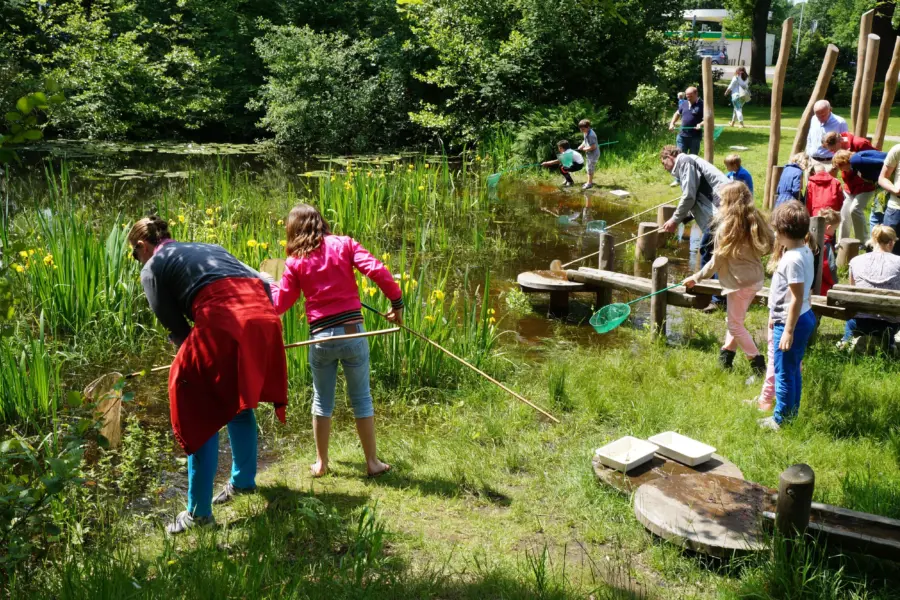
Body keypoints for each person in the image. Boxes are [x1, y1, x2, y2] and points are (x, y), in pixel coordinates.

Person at [128, 216, 288, 534]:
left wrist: (192, 371)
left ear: (142, 246)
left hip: (225, 319)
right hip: (263, 316)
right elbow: (265, 281)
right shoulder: (207, 247)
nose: (138, 261)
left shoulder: (152, 267)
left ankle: (198, 514)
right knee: (237, 400)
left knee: (199, 411)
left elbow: (178, 331)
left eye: (135, 255)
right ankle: (243, 482)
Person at [270, 204, 401, 478]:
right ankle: (372, 463)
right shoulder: (345, 244)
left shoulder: (295, 262)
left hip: (320, 339)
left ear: (294, 230)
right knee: (361, 399)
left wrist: (268, 283)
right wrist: (396, 301)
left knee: (322, 400)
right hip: (355, 333)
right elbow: (377, 270)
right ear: (321, 222)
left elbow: (280, 303)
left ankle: (321, 464)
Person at [685, 182, 772, 374]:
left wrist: (696, 277)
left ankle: (757, 365)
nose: (719, 203)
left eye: (722, 200)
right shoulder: (754, 218)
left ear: (730, 202)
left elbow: (715, 261)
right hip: (755, 280)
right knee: (736, 320)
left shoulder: (727, 227)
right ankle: (725, 360)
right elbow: (770, 244)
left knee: (734, 324)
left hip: (739, 283)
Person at [758, 202, 817, 431]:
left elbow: (795, 296)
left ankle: (780, 419)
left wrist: (788, 330)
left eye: (775, 230)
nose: (774, 233)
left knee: (783, 372)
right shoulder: (804, 249)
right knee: (792, 370)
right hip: (801, 316)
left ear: (782, 232)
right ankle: (792, 414)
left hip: (792, 321)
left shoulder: (792, 259)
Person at [659, 145, 730, 311]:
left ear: (670, 156)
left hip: (721, 212)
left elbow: (689, 196)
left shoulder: (685, 161)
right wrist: (686, 217)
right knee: (711, 251)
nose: (665, 168)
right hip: (719, 213)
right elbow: (698, 195)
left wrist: (675, 219)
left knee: (712, 252)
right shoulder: (688, 163)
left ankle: (714, 297)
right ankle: (708, 293)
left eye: (664, 163)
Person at [841, 225, 900, 348]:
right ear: (890, 243)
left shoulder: (856, 261)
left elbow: (852, 291)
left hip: (858, 321)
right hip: (888, 323)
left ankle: (848, 341)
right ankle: (888, 344)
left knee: (854, 322)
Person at [831, 149, 878, 241]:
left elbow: (868, 179)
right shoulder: (846, 168)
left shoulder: (859, 164)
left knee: (855, 209)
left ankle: (862, 240)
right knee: (844, 212)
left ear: (846, 161)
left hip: (865, 189)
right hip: (850, 191)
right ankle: (842, 241)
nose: (840, 169)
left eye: (841, 166)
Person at [877, 143, 900, 255]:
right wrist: (895, 190)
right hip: (896, 209)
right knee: (887, 253)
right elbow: (882, 178)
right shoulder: (897, 150)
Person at [668, 86, 704, 155]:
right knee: (680, 157)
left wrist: (700, 124)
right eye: (687, 97)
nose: (688, 98)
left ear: (696, 94)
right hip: (682, 136)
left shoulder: (702, 105)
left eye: (690, 96)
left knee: (692, 158)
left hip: (695, 137)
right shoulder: (684, 103)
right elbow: (677, 113)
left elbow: (707, 119)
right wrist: (672, 123)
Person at [818, 208, 841, 295]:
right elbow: (830, 267)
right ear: (828, 228)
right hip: (822, 288)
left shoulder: (809, 238)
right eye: (834, 229)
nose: (834, 232)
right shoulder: (826, 245)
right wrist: (835, 283)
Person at [577, 119, 600, 190]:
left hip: (594, 154)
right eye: (580, 129)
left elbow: (593, 147)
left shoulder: (591, 135)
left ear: (588, 127)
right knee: (588, 168)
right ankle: (589, 182)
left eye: (583, 129)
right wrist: (581, 145)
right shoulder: (586, 132)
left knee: (590, 168)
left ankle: (589, 184)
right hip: (589, 153)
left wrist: (585, 149)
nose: (581, 130)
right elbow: (585, 140)